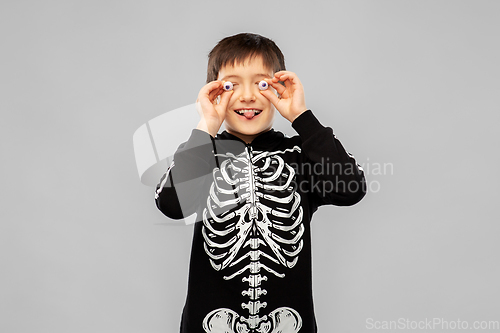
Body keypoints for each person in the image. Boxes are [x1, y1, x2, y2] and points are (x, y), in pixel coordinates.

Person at [155, 33, 366, 333]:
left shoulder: (301, 155)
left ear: (279, 87)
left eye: (262, 84)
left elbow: (351, 187)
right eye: (230, 85)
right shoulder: (202, 155)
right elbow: (171, 204)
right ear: (213, 92)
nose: (248, 96)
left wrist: (302, 117)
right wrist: (206, 127)